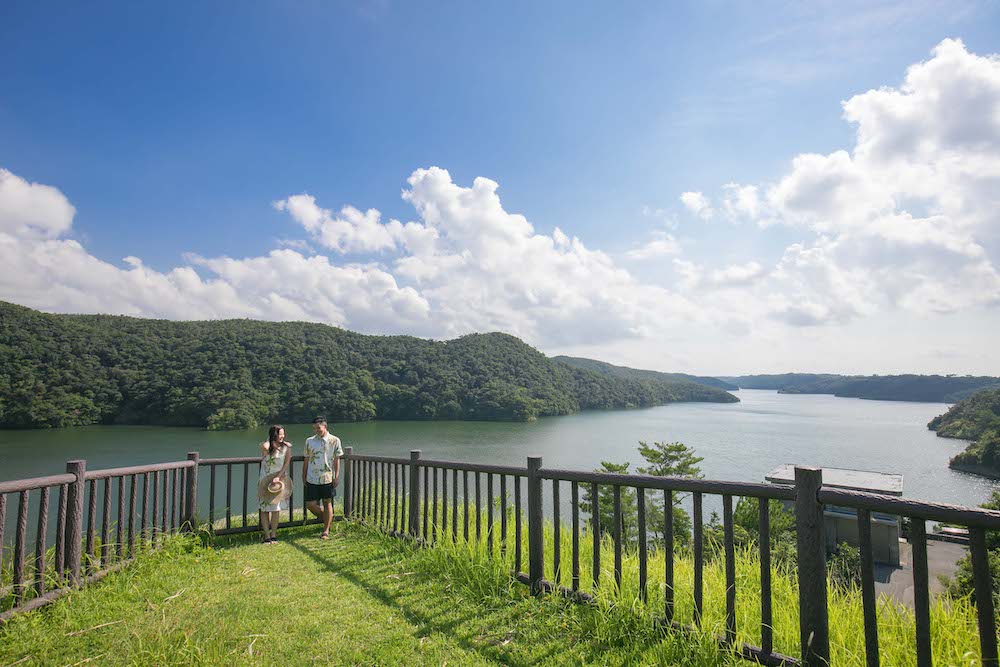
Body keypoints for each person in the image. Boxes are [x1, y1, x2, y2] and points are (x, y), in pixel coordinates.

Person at [303, 416, 343, 540]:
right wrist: (303, 475)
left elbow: (337, 460)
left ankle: (325, 530)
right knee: (310, 504)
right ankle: (326, 519)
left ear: (325, 426)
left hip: (327, 477)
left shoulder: (335, 440)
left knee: (327, 502)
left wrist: (336, 476)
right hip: (312, 477)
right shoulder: (309, 441)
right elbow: (306, 459)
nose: (316, 430)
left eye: (318, 428)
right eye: (314, 428)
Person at [258, 425, 291, 543]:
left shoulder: (286, 448)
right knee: (264, 508)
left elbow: (286, 463)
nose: (282, 436)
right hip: (265, 480)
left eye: (283, 434)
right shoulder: (266, 446)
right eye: (279, 434)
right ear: (273, 434)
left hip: (279, 480)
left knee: (276, 508)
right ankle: (266, 535)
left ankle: (273, 534)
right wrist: (273, 442)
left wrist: (278, 476)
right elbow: (264, 446)